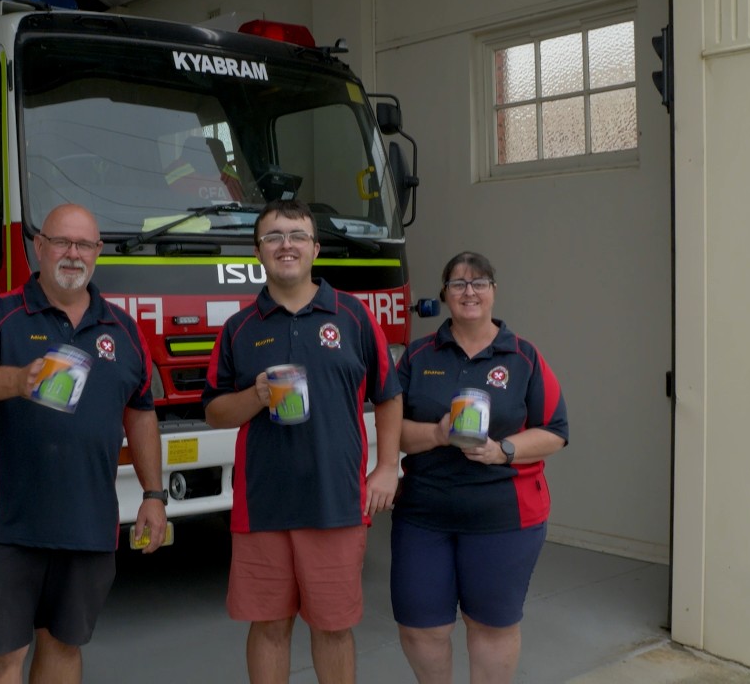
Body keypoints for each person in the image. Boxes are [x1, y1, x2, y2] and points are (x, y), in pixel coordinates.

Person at [0, 203, 168, 684]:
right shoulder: (0, 315)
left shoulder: (123, 330)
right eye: (61, 242)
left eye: (84, 244)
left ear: (98, 252)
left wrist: (153, 495)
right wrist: (18, 380)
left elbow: (141, 411)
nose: (73, 254)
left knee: (63, 647)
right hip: (4, 526)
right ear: (38, 247)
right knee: (0, 659)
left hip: (87, 525)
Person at [203, 199, 402, 684]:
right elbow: (213, 412)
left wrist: (386, 467)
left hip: (335, 503)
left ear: (314, 248)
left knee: (333, 628)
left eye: (295, 235)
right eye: (273, 236)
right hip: (262, 506)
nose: (285, 245)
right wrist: (256, 394)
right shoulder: (239, 329)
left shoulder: (353, 316)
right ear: (258, 252)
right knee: (268, 625)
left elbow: (390, 396)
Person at [391, 251, 569, 684]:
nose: (468, 292)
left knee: (491, 626)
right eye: (458, 284)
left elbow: (555, 431)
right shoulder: (417, 357)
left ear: (493, 291)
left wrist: (501, 449)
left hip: (504, 516)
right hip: (424, 514)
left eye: (479, 283)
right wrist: (437, 434)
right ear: (444, 295)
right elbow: (389, 430)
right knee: (420, 626)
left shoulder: (523, 357)